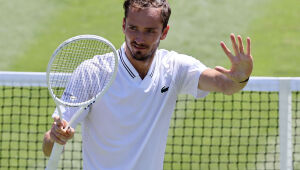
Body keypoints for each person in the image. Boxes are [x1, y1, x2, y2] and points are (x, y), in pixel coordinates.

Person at [43, 0, 253, 169]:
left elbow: (224, 85)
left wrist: (241, 76)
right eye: (133, 28)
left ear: (164, 32)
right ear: (124, 25)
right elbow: (48, 145)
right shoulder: (92, 72)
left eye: (150, 31)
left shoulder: (174, 67)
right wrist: (55, 137)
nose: (139, 38)